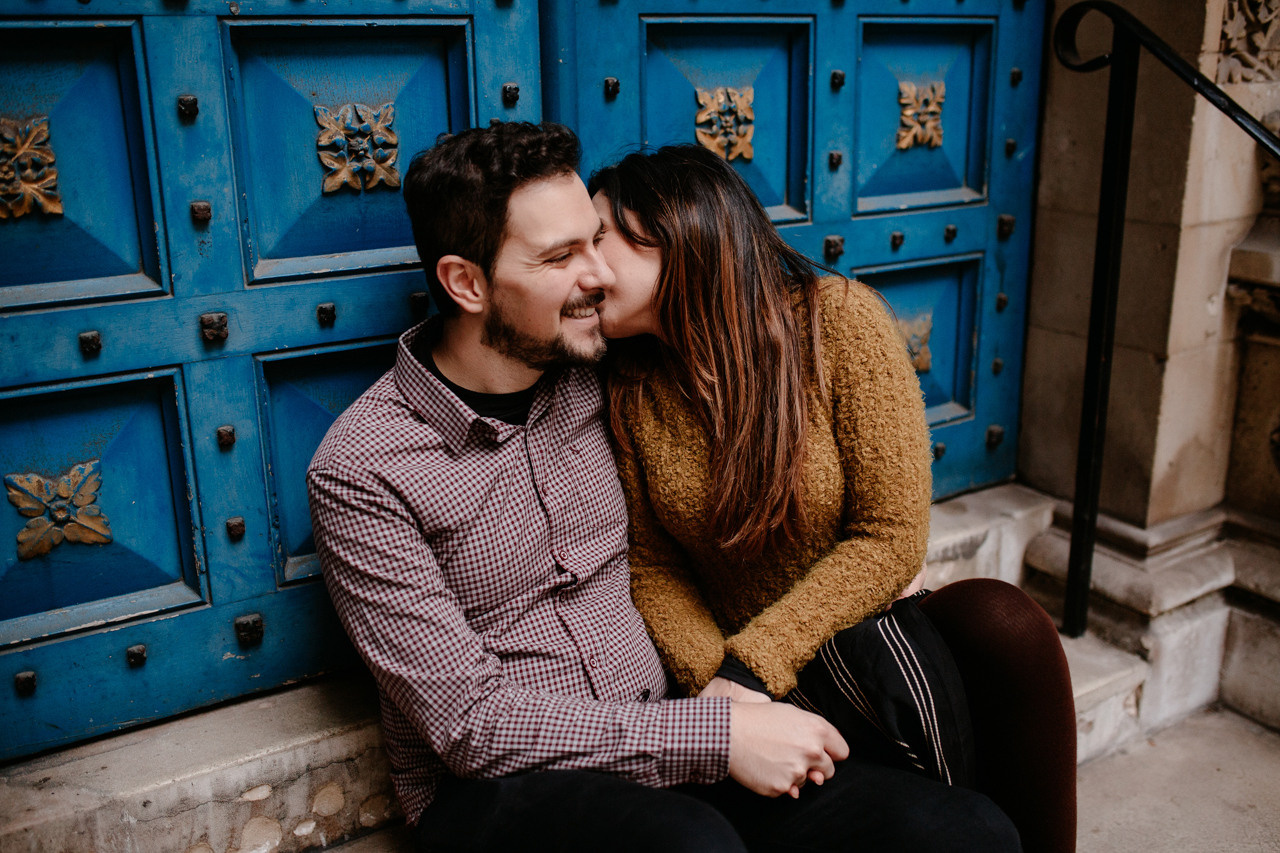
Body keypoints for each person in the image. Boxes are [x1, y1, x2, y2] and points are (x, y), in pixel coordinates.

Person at [308, 120, 1020, 853]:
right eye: (560, 256)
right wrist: (718, 732)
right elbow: (469, 723)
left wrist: (864, 569)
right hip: (503, 786)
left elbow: (734, 445)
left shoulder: (603, 371)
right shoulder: (363, 469)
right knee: (692, 846)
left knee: (963, 830)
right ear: (466, 282)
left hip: (676, 739)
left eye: (596, 239)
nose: (597, 275)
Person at [589, 144, 1077, 853]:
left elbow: (890, 535)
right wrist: (722, 686)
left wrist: (754, 664)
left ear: (679, 232)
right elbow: (651, 568)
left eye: (601, 237)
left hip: (854, 647)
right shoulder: (628, 388)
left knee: (1001, 621)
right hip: (752, 687)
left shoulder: (838, 322)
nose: (584, 265)